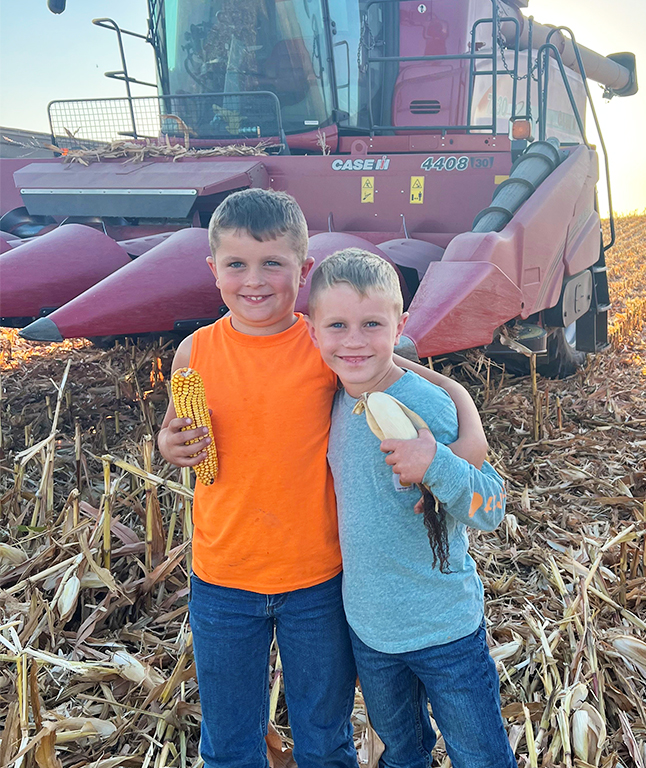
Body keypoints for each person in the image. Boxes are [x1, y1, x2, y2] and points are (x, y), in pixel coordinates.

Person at [157, 189, 489, 768]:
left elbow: (402, 370)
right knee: (230, 740)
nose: (253, 280)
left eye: (273, 264)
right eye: (236, 264)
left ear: (302, 270)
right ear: (213, 270)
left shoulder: (323, 343)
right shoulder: (195, 352)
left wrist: (464, 427)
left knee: (323, 736)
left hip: (316, 580)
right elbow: (175, 430)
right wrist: (168, 444)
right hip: (222, 575)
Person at [307, 249, 517, 768]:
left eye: (372, 324)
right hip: (371, 633)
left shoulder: (425, 404)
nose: (353, 340)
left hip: (446, 631)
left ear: (399, 326)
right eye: (337, 325)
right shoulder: (328, 400)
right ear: (312, 331)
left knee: (481, 756)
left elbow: (491, 508)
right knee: (401, 753)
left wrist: (436, 464)